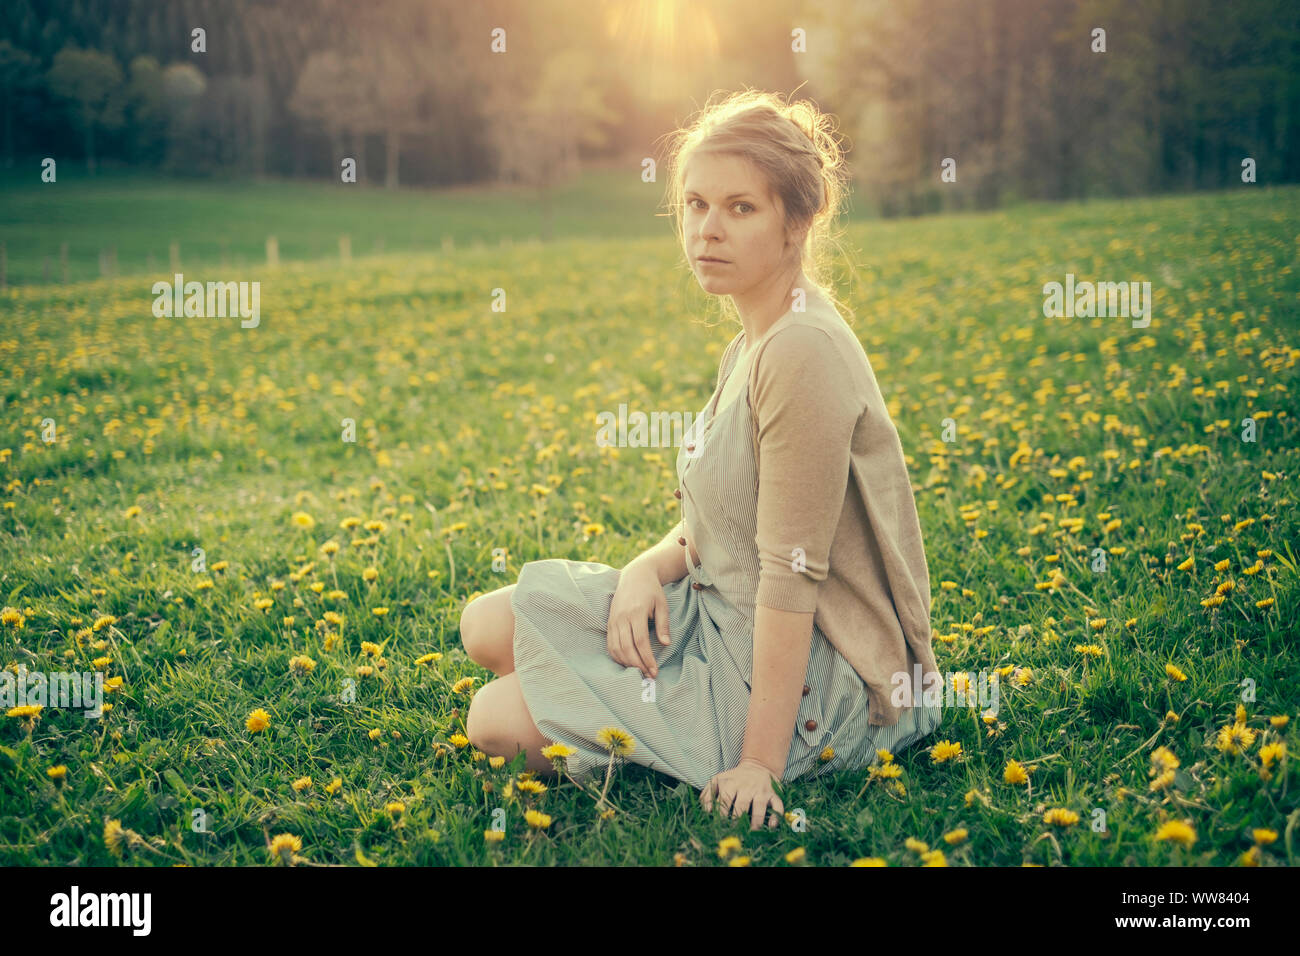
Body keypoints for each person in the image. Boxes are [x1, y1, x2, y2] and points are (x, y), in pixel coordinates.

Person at [460, 89, 943, 831]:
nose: (706, 230)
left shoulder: (802, 353)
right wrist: (640, 575)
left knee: (493, 721)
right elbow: (713, 523)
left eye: (740, 208)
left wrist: (759, 764)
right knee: (483, 626)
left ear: (797, 222)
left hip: (822, 676)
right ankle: (601, 687)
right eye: (694, 205)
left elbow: (793, 575)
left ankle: (646, 711)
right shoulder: (752, 343)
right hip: (718, 609)